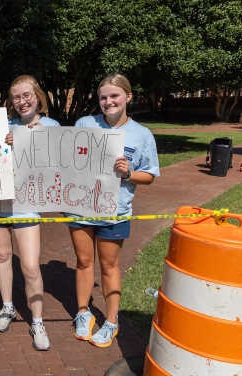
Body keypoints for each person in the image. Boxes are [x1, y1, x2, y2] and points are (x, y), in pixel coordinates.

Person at [68, 73, 159, 347]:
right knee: (84, 262)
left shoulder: (142, 134)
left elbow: (150, 175)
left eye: (114, 96)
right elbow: (67, 160)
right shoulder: (85, 123)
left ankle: (111, 320)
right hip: (80, 207)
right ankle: (83, 312)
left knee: (108, 266)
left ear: (128, 97)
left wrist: (129, 172)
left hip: (114, 211)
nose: (108, 102)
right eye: (103, 97)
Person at [0, 75, 59, 351]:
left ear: (37, 96)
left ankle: (37, 320)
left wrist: (36, 139)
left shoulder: (52, 126)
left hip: (27, 205)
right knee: (2, 255)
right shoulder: (2, 126)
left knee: (30, 265)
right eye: (16, 97)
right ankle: (7, 307)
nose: (22, 101)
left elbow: (57, 167)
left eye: (27, 95)